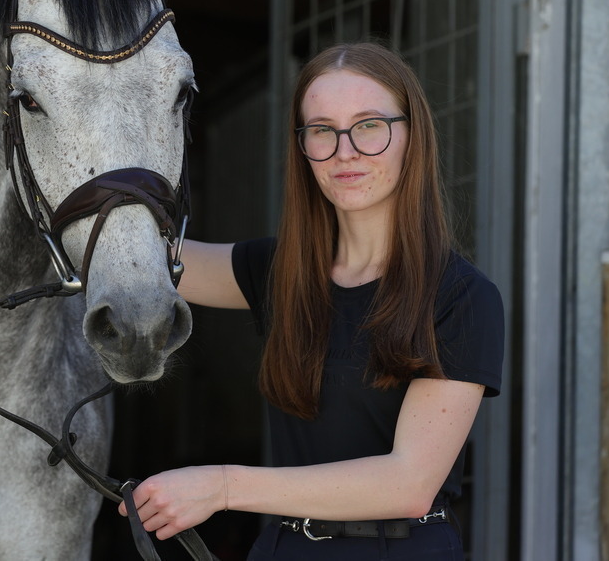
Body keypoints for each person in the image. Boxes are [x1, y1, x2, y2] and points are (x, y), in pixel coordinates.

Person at [118, 42, 505, 560]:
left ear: (412, 136)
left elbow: (407, 484)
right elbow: (129, 255)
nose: (345, 151)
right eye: (322, 130)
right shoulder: (282, 273)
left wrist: (223, 487)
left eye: (369, 125)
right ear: (303, 148)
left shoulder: (462, 298)